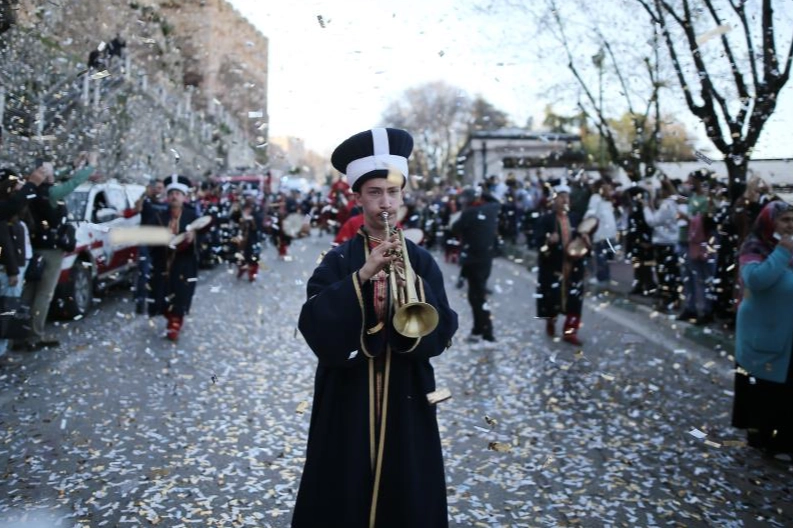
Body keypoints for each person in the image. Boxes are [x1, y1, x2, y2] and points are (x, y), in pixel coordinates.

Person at [293, 128, 458, 528]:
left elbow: (444, 329)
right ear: (358, 198)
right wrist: (363, 275)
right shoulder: (337, 260)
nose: (385, 203)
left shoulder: (422, 260)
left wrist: (413, 287)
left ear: (403, 196)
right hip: (347, 396)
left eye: (393, 192)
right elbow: (313, 321)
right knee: (343, 489)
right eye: (375, 193)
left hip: (407, 392)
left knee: (407, 490)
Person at [16, 152, 96, 351]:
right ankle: (35, 336)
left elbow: (58, 177)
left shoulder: (34, 190)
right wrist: (91, 166)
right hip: (50, 250)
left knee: (28, 293)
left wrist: (72, 165)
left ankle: (18, 334)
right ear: (44, 173)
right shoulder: (51, 194)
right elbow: (73, 183)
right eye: (49, 168)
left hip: (35, 246)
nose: (53, 170)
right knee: (44, 294)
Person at [732, 200, 793, 458]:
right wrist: (782, 252)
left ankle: (784, 440)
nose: (791, 226)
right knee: (765, 389)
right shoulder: (754, 247)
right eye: (785, 220)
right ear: (769, 222)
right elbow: (755, 280)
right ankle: (765, 437)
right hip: (764, 332)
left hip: (788, 332)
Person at [145, 174, 207, 341]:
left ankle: (175, 325)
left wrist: (193, 238)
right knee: (162, 295)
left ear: (184, 197)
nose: (174, 196)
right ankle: (170, 317)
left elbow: (203, 236)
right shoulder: (159, 217)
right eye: (171, 193)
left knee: (181, 294)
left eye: (177, 194)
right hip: (164, 263)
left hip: (184, 264)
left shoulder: (192, 216)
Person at [534, 178, 588, 346]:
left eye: (567, 197)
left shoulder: (576, 218)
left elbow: (583, 238)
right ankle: (551, 320)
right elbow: (538, 244)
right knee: (552, 297)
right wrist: (548, 241)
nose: (565, 200)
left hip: (574, 266)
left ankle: (570, 332)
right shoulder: (545, 220)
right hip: (553, 267)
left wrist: (585, 241)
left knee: (575, 299)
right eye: (561, 197)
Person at [451, 185, 500, 343]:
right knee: (477, 296)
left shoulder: (469, 213)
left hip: (473, 260)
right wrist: (482, 192)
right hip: (486, 259)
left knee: (477, 298)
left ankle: (487, 333)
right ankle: (478, 329)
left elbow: (454, 228)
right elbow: (496, 201)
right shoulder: (490, 209)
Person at [129, 177, 166, 314]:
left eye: (161, 188)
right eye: (157, 188)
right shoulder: (145, 201)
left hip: (161, 239)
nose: (159, 190)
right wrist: (145, 194)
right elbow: (136, 209)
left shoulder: (166, 202)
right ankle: (140, 300)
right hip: (146, 238)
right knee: (144, 271)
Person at [582, 178, 617, 286]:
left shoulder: (595, 198)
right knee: (607, 255)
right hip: (611, 231)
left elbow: (591, 213)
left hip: (601, 231)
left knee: (600, 256)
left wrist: (583, 223)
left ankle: (601, 278)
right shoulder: (608, 200)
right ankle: (606, 276)